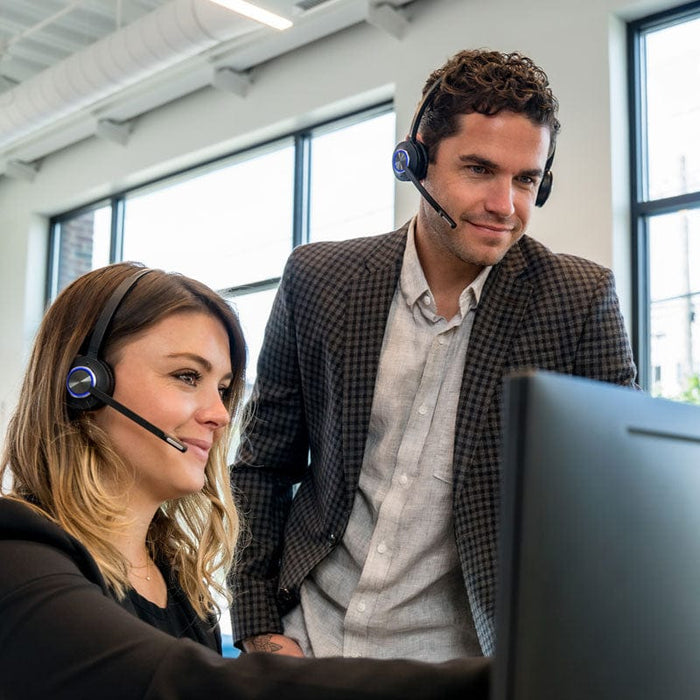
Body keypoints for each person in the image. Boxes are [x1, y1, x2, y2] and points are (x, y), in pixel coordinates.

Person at [229, 49, 638, 661]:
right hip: (307, 646)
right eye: (479, 169)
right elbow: (263, 467)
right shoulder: (319, 279)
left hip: (461, 669)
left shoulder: (577, 300)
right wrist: (259, 626)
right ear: (414, 158)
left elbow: (615, 503)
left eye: (527, 179)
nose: (506, 204)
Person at [0, 262, 490, 699]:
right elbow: (179, 682)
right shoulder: (19, 554)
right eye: (187, 376)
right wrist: (502, 682)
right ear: (86, 383)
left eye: (224, 389)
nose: (218, 414)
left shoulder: (180, 587)